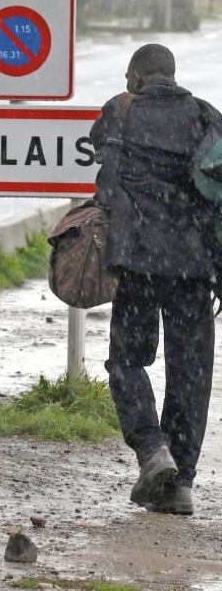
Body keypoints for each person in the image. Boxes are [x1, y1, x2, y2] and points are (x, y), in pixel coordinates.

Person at [91, 43, 219, 515]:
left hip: (139, 262)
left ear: (136, 78)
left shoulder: (120, 113)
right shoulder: (206, 118)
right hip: (194, 268)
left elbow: (101, 173)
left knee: (127, 360)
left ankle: (152, 450)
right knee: (191, 372)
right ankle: (179, 483)